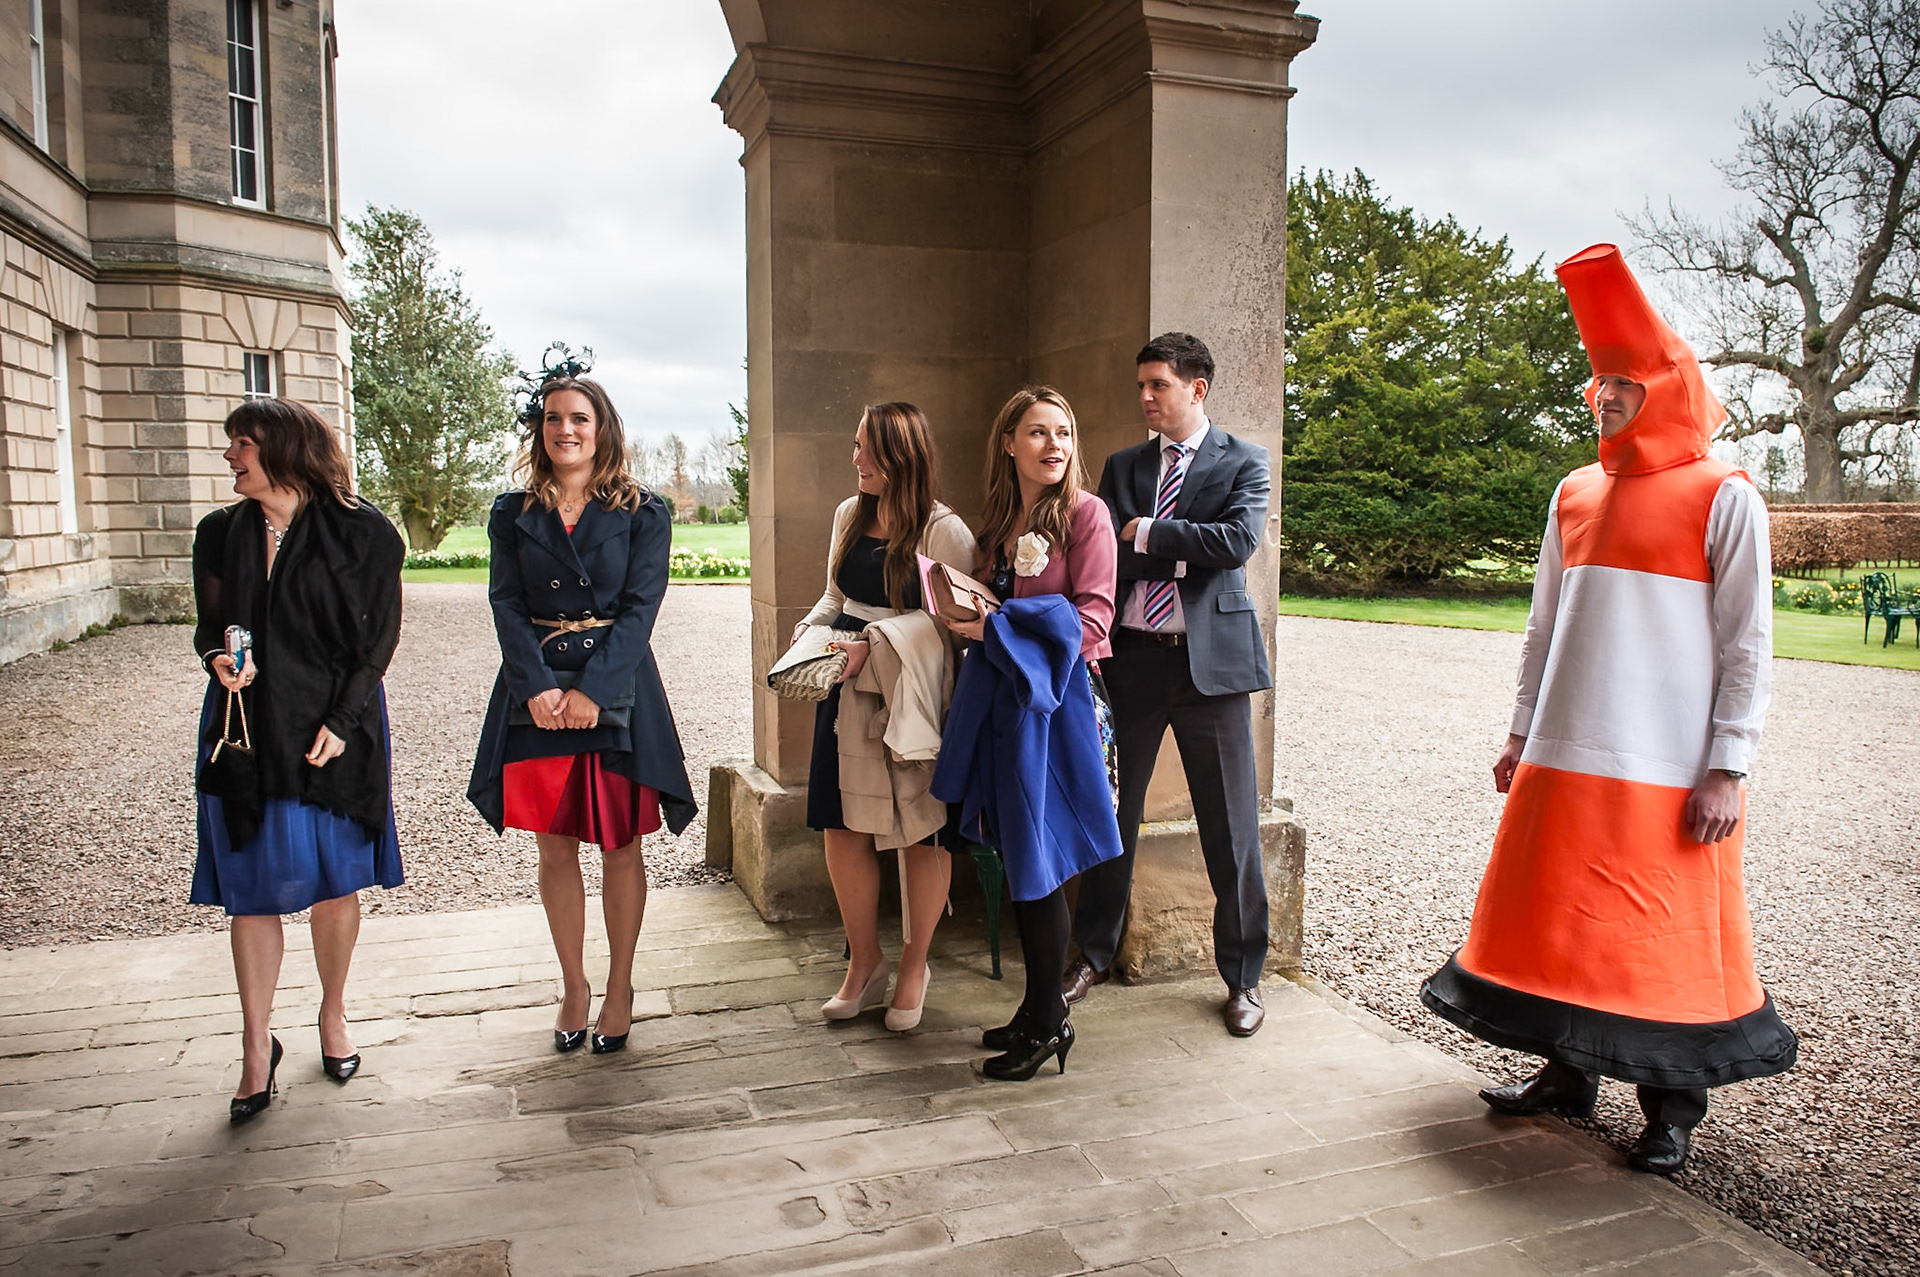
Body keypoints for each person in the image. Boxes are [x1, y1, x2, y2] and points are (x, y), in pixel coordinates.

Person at [1420, 244, 1798, 1176]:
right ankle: (1568, 1074)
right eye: (1597, 381)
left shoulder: (1725, 494)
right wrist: (1519, 732)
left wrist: (1727, 766)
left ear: (1668, 387)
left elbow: (1749, 643)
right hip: (1568, 750)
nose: (1603, 395)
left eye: (1622, 381)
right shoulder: (1574, 491)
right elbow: (1544, 627)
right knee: (1568, 923)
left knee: (1662, 936)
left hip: (1670, 768)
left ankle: (1673, 1107)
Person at [468, 369, 696, 1056]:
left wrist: (593, 690)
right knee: (554, 844)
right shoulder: (513, 513)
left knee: (621, 844)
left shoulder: (643, 512)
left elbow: (640, 609)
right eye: (552, 419)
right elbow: (506, 603)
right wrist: (533, 684)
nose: (564, 429)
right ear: (541, 430)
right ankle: (573, 984)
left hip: (617, 690)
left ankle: (620, 987)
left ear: (602, 431)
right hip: (534, 690)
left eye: (579, 419)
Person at [191, 397, 405, 1124]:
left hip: (333, 732)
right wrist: (220, 657)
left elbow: (376, 642)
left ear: (282, 448)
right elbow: (209, 629)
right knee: (251, 886)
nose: (230, 457)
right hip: (247, 730)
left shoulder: (365, 531)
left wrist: (343, 721)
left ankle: (333, 1014)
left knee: (333, 878)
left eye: (240, 443)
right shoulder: (219, 534)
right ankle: (257, 1047)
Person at [1063, 333, 1274, 1036]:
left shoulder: (1245, 461)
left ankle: (1244, 978)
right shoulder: (1123, 465)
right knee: (1110, 811)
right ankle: (1091, 953)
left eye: (1158, 384)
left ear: (1197, 387)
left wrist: (1150, 533)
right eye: (1142, 385)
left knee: (1231, 826)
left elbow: (1236, 543)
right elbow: (1101, 555)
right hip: (1132, 661)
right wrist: (1180, 548)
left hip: (1210, 667)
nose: (1146, 397)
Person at [932, 385, 1121, 1080]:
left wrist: (993, 624)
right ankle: (1035, 1004)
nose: (1054, 446)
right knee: (1017, 860)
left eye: (1064, 432)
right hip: (1006, 708)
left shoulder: (1089, 516)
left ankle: (1048, 1024)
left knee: (1039, 866)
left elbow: (1094, 622)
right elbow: (1001, 608)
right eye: (1038, 432)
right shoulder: (1002, 521)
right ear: (1008, 442)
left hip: (1061, 710)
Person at [796, 402, 976, 1031]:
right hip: (842, 685)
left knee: (919, 831)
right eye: (854, 447)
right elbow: (835, 598)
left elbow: (955, 627)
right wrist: (808, 635)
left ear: (905, 454)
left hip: (908, 694)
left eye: (870, 451)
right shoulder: (850, 513)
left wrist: (872, 645)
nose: (858, 461)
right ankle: (864, 962)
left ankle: (914, 965)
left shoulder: (944, 532)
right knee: (841, 826)